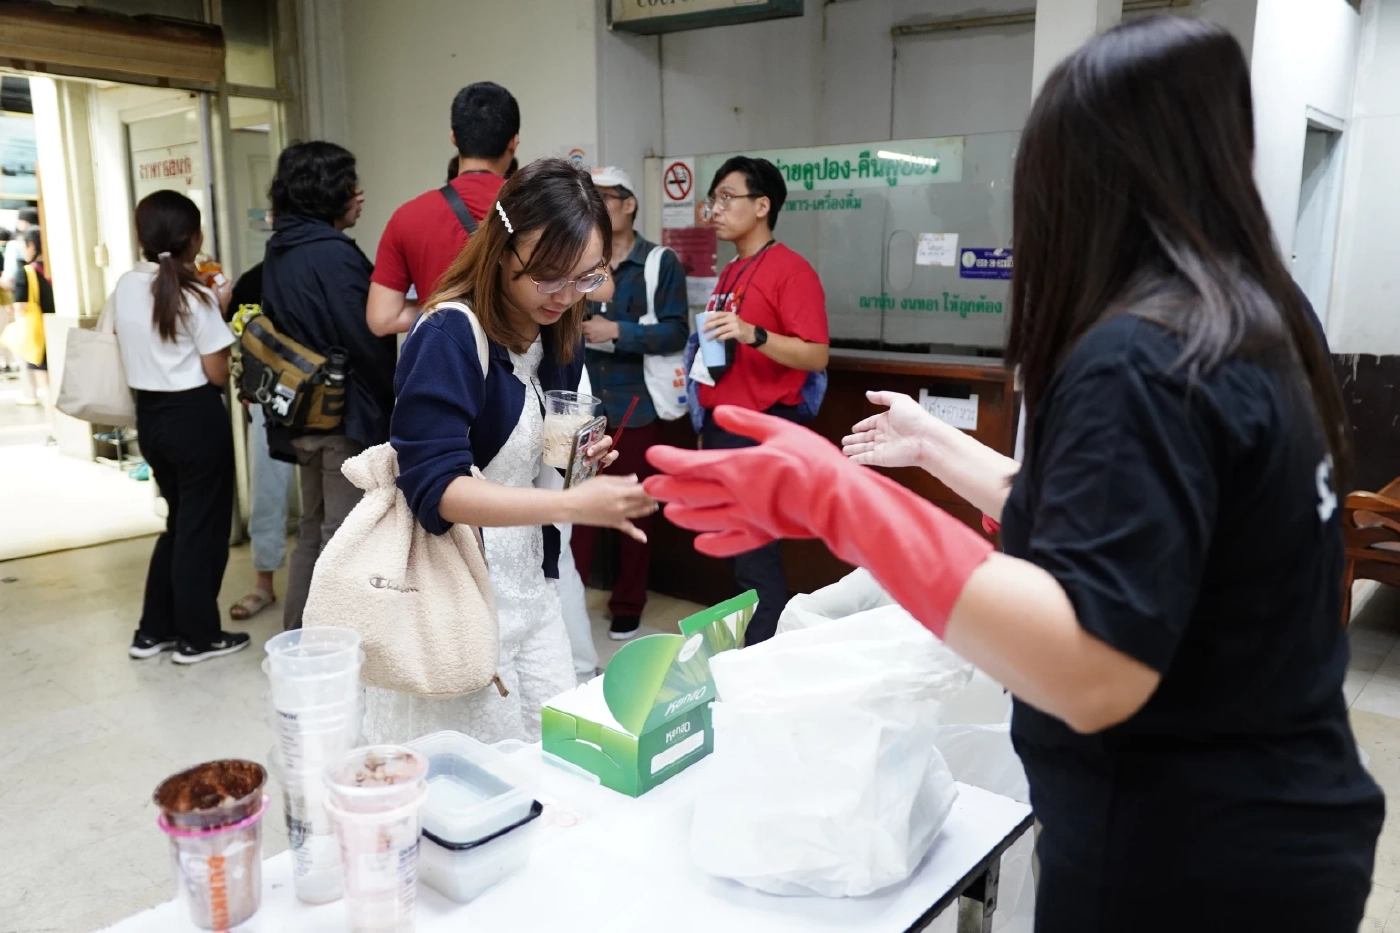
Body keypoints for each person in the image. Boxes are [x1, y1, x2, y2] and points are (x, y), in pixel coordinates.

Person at [645, 17, 1383, 932]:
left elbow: (1092, 664)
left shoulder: (1141, 355)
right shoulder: (1257, 319)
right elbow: (1120, 529)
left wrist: (847, 503)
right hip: (1285, 824)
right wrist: (933, 444)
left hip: (1187, 860)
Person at [370, 157, 656, 743]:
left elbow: (544, 465)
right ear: (502, 250)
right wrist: (569, 507)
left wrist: (578, 464)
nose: (565, 295)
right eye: (548, 275)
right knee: (484, 773)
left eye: (585, 277)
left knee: (554, 750)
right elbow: (435, 489)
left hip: (531, 582)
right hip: (458, 593)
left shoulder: (558, 331)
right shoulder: (449, 335)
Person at [694, 156, 829, 645]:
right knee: (735, 549)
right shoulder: (731, 269)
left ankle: (760, 660)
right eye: (714, 199)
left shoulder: (791, 270)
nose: (716, 209)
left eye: (727, 198)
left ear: (762, 206)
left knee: (756, 554)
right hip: (722, 426)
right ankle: (741, 654)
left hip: (762, 429)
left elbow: (815, 354)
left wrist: (754, 334)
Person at [261, 141, 394, 630]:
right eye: (349, 185)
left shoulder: (282, 247)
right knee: (344, 538)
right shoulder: (332, 254)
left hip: (300, 415)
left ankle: (298, 639)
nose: (359, 195)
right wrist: (396, 397)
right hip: (343, 418)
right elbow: (367, 338)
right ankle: (331, 652)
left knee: (314, 531)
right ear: (328, 192)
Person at [112, 190, 246, 663]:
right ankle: (198, 637)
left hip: (150, 419)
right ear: (194, 238)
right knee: (201, 530)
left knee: (178, 524)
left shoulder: (126, 285)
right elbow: (216, 373)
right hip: (194, 418)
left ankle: (153, 630)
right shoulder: (194, 296)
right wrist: (220, 305)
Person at [570, 166, 688, 640]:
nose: (596, 207)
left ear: (629, 203)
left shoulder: (659, 262)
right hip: (582, 406)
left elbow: (678, 331)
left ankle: (628, 603)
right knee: (576, 512)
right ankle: (569, 605)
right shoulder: (581, 257)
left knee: (632, 510)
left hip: (636, 405)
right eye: (590, 199)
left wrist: (618, 331)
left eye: (605, 198)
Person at [367, 82, 520, 337]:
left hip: (444, 366)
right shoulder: (538, 210)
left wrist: (449, 306)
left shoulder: (408, 217)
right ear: (513, 143)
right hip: (518, 367)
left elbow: (382, 318)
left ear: (453, 138)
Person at [226, 261, 296, 621]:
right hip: (271, 397)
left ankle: (334, 588)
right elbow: (244, 336)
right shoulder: (258, 276)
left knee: (337, 498)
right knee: (268, 485)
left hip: (331, 398)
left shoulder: (341, 261)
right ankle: (263, 582)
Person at [6, 228, 56, 433]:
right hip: (59, 332)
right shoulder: (57, 268)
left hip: (39, 336)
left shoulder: (27, 272)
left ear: (32, 245)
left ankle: (56, 431)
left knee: (47, 386)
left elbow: (21, 308)